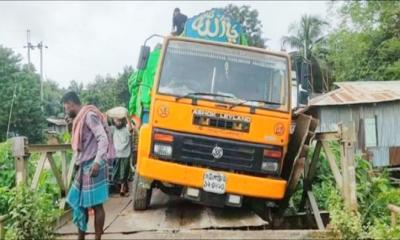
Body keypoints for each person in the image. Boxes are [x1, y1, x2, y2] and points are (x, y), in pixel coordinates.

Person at [63, 91, 113, 240]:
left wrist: (98, 162)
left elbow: (102, 138)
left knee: (97, 205)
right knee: (80, 203)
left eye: (66, 108)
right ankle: (81, 238)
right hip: (83, 165)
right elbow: (78, 141)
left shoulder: (89, 116)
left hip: (94, 164)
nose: (66, 111)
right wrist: (69, 126)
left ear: (71, 104)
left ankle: (97, 238)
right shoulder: (78, 120)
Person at [111, 117, 133, 196]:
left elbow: (131, 130)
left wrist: (127, 118)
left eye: (120, 120)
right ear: (114, 120)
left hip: (125, 154)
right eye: (117, 120)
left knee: (124, 172)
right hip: (117, 154)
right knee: (115, 174)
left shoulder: (126, 128)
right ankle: (123, 187)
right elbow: (105, 127)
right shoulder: (113, 129)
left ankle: (122, 189)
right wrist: (105, 117)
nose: (119, 122)